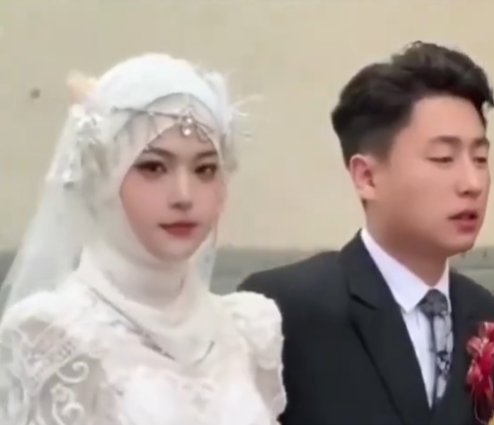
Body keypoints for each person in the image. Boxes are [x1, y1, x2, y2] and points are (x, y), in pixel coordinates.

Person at [0, 54, 285, 425]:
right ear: (103, 179)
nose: (184, 195)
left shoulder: (249, 330)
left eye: (204, 169)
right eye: (153, 167)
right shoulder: (53, 334)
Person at [239, 41, 494, 425]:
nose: (473, 183)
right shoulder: (283, 307)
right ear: (367, 177)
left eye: (480, 159)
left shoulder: (484, 313)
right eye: (443, 158)